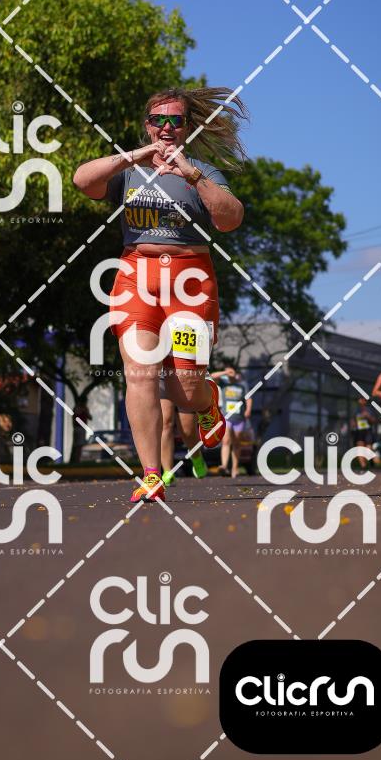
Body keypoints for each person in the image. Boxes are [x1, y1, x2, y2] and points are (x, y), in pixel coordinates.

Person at [74, 86, 247, 502]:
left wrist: (192, 176)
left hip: (189, 282)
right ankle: (151, 474)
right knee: (139, 373)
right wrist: (135, 156)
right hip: (136, 276)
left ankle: (206, 403)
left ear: (188, 127)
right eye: (158, 120)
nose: (167, 128)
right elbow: (82, 180)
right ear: (147, 125)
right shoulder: (128, 171)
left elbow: (231, 219)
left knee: (184, 389)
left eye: (176, 120)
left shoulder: (201, 172)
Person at [160, 373, 208, 486]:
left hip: (185, 376)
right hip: (162, 376)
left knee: (188, 430)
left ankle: (196, 457)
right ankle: (167, 471)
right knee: (165, 423)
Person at [211, 366, 253, 478]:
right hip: (227, 418)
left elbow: (248, 398)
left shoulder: (242, 384)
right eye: (228, 371)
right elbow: (212, 376)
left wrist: (248, 410)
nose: (230, 373)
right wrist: (225, 372)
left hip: (239, 419)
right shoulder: (224, 383)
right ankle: (224, 466)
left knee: (236, 443)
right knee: (226, 441)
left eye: (231, 371)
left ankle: (235, 468)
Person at [350, 397, 376, 470]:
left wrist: (368, 417)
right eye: (360, 399)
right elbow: (352, 420)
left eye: (363, 399)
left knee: (368, 447)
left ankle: (370, 460)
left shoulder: (370, 410)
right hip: (359, 431)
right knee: (360, 447)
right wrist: (353, 424)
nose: (361, 401)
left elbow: (374, 420)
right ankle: (363, 466)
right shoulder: (356, 410)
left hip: (368, 430)